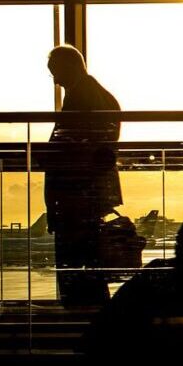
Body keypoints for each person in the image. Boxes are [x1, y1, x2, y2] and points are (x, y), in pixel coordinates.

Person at [43, 45, 123, 307]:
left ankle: (82, 324)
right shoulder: (101, 96)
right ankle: (92, 323)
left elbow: (76, 150)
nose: (55, 80)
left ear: (71, 66)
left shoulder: (82, 99)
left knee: (76, 272)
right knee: (90, 272)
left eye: (56, 72)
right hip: (87, 198)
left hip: (75, 199)